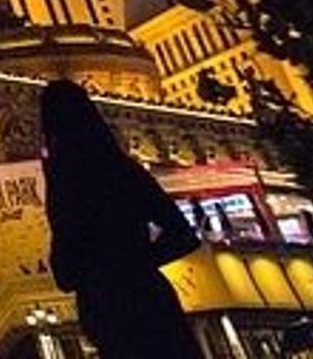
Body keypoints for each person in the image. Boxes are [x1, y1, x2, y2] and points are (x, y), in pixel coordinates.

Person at [40, 78, 203, 359]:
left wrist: (100, 272)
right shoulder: (124, 169)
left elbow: (65, 265)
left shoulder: (64, 178)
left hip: (107, 306)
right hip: (150, 298)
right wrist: (139, 261)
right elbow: (183, 235)